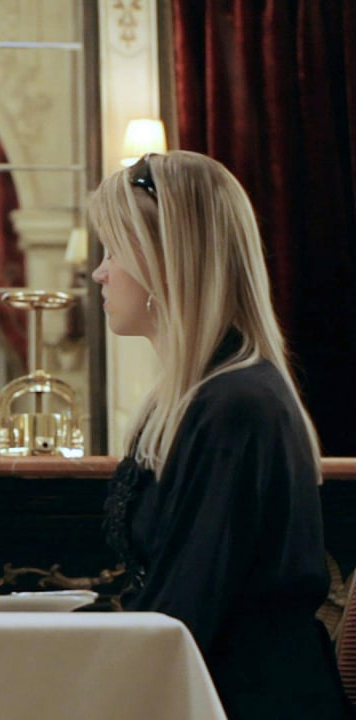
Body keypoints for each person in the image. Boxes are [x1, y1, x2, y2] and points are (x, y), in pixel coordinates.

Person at [91, 151, 350, 718]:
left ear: (164, 261)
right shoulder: (206, 396)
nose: (99, 273)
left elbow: (185, 612)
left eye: (112, 251)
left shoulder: (236, 407)